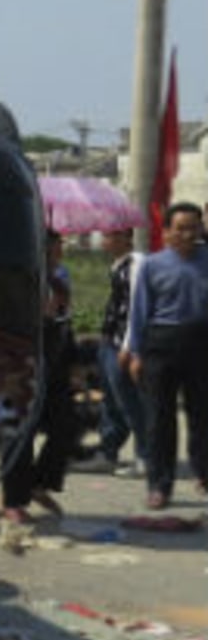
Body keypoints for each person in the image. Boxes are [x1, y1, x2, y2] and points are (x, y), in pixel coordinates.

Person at [123, 202, 208, 509]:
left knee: (202, 415)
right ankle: (160, 485)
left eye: (194, 227)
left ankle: (203, 472)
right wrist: (135, 352)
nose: (188, 234)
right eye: (181, 228)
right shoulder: (153, 265)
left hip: (202, 343)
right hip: (161, 343)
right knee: (160, 419)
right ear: (167, 231)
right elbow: (139, 311)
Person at [0, 231, 77, 520]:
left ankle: (40, 482)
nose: (57, 257)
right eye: (51, 252)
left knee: (67, 424)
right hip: (22, 363)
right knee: (21, 431)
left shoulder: (61, 279)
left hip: (55, 362)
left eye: (59, 251)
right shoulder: (22, 280)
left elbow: (67, 323)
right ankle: (13, 501)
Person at [74, 227, 147, 475]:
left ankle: (145, 456)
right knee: (111, 403)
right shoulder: (117, 265)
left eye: (110, 236)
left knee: (131, 402)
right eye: (104, 236)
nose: (105, 241)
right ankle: (108, 452)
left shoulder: (137, 264)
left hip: (122, 345)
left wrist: (129, 347)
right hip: (108, 342)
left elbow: (138, 309)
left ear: (126, 238)